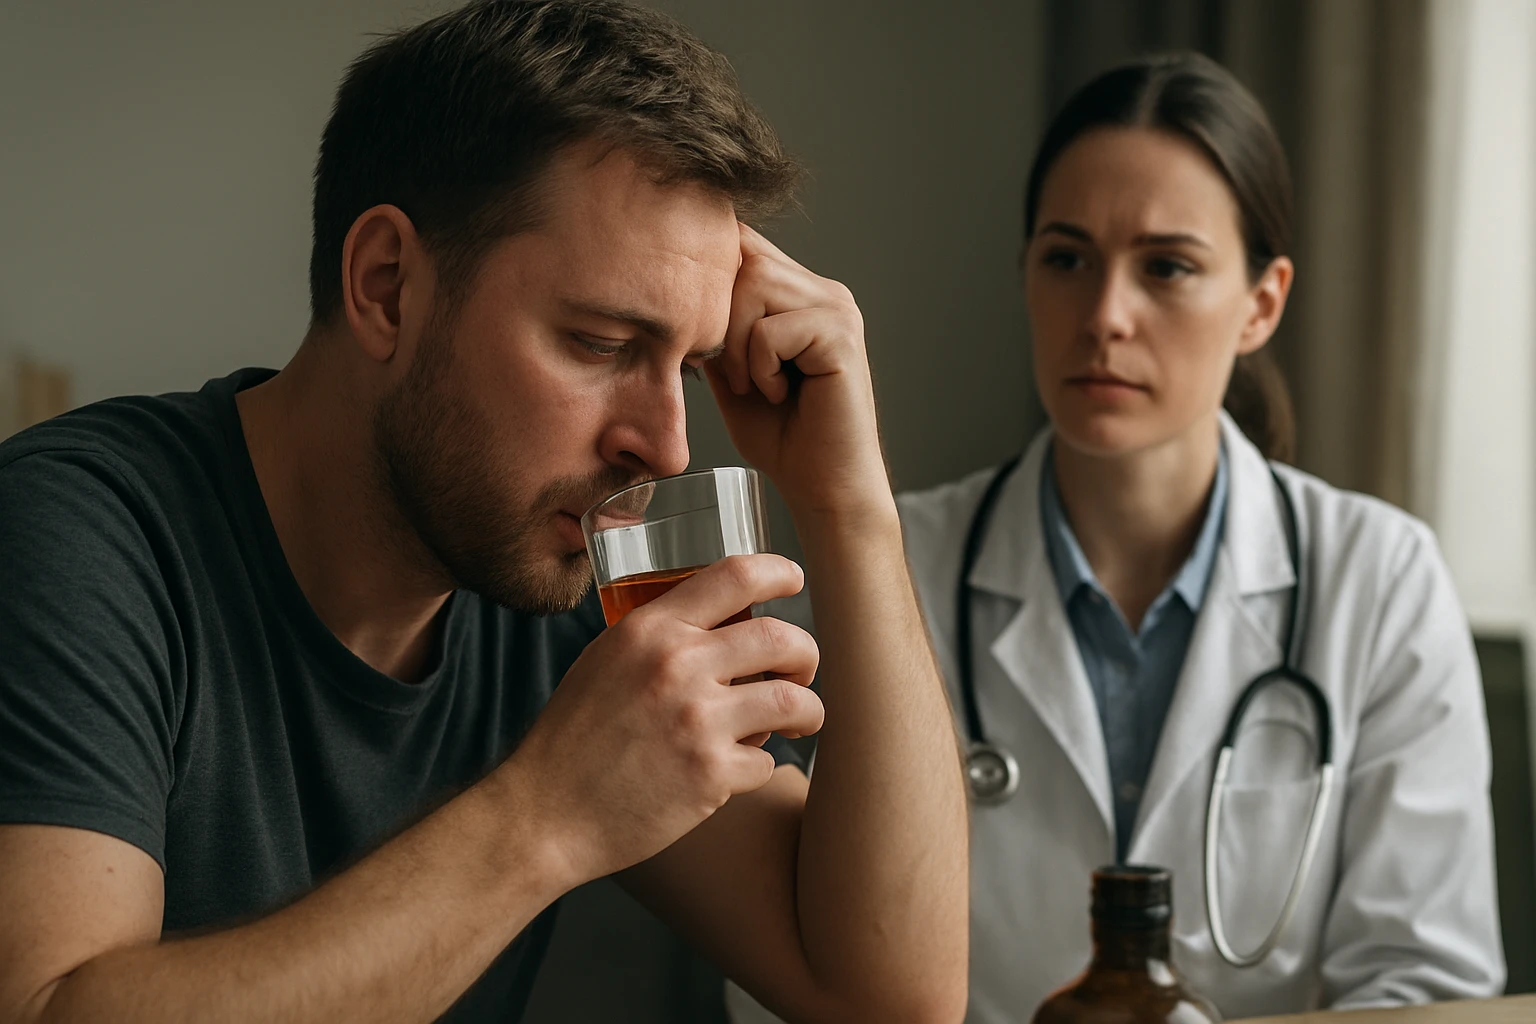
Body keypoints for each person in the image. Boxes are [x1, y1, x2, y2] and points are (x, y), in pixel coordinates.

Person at [0, 3, 970, 1023]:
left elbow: (890, 996)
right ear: (386, 287)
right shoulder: (77, 537)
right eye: (601, 344)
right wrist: (546, 817)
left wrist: (849, 502)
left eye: (686, 364)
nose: (669, 445)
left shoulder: (554, 582)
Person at [731, 52, 1505, 1024]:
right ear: (1024, 273)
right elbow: (777, 987)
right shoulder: (881, 568)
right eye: (1067, 258)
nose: (1104, 316)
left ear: (1262, 303)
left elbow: (1426, 992)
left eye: (1168, 267)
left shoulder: (1382, 581)